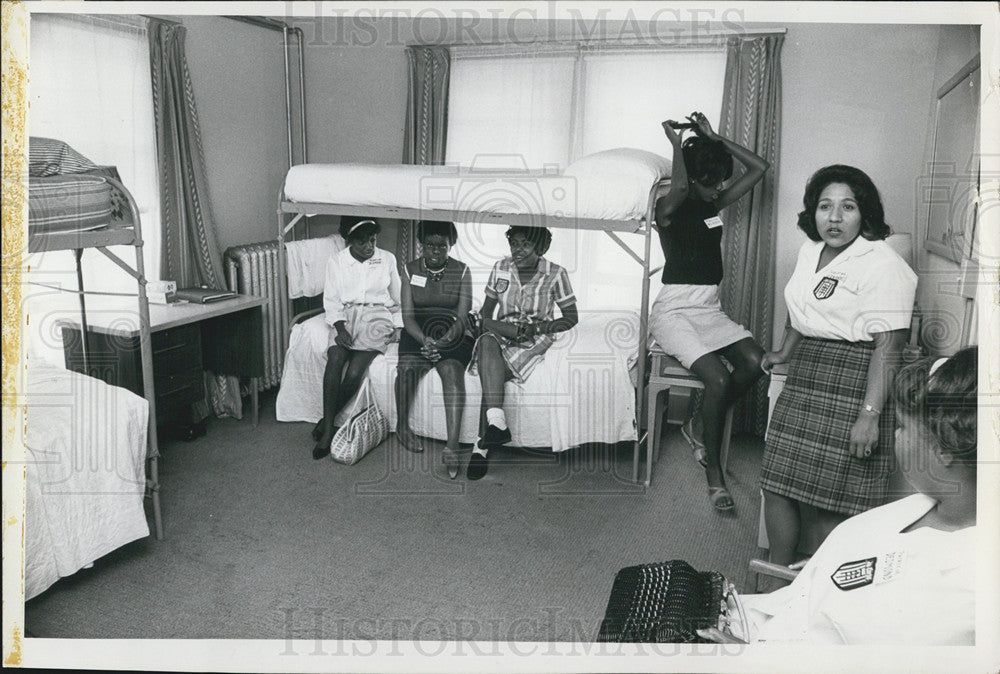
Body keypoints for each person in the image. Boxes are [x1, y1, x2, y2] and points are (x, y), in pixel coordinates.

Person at [698, 347, 978, 645]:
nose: (895, 435)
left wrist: (752, 659)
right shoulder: (926, 504)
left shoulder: (963, 594)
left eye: (902, 426)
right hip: (772, 618)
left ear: (944, 448)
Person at [759, 165, 918, 569]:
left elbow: (890, 344)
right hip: (808, 372)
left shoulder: (883, 263)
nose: (834, 217)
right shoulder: (810, 251)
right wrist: (784, 351)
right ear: (812, 212)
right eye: (825, 206)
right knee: (777, 484)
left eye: (847, 207)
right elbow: (802, 308)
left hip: (857, 379)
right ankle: (777, 580)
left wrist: (869, 416)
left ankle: (822, 589)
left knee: (836, 501)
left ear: (864, 212)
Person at [650, 111, 770, 512]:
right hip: (674, 311)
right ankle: (714, 475)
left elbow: (759, 167)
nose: (718, 187)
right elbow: (681, 185)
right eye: (711, 180)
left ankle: (698, 425)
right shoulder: (667, 210)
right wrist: (675, 144)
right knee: (717, 378)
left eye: (719, 180)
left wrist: (715, 137)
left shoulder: (713, 199)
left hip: (709, 308)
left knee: (755, 362)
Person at [464, 226, 578, 480]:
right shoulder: (501, 267)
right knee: (485, 342)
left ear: (542, 248)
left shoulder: (556, 274)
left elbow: (571, 318)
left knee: (489, 372)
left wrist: (539, 327)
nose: (517, 250)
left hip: (535, 335)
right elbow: (486, 313)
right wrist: (489, 325)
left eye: (525, 244)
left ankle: (481, 446)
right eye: (514, 243)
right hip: (502, 330)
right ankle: (497, 422)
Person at [311, 216, 402, 459]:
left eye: (372, 240)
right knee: (336, 358)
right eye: (361, 242)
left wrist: (398, 325)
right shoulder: (337, 262)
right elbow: (331, 300)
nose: (369, 247)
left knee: (354, 372)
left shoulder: (387, 259)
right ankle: (329, 429)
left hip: (376, 317)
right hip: (346, 315)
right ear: (349, 241)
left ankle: (325, 423)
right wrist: (340, 329)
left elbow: (399, 298)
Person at [395, 220, 474, 479]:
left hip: (452, 329)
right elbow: (407, 317)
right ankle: (402, 427)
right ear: (421, 244)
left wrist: (442, 342)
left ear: (451, 245)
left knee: (452, 371)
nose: (436, 250)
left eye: (442, 245)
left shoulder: (462, 271)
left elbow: (462, 318)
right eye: (430, 244)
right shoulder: (409, 269)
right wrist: (425, 341)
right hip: (418, 328)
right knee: (407, 368)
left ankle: (452, 446)